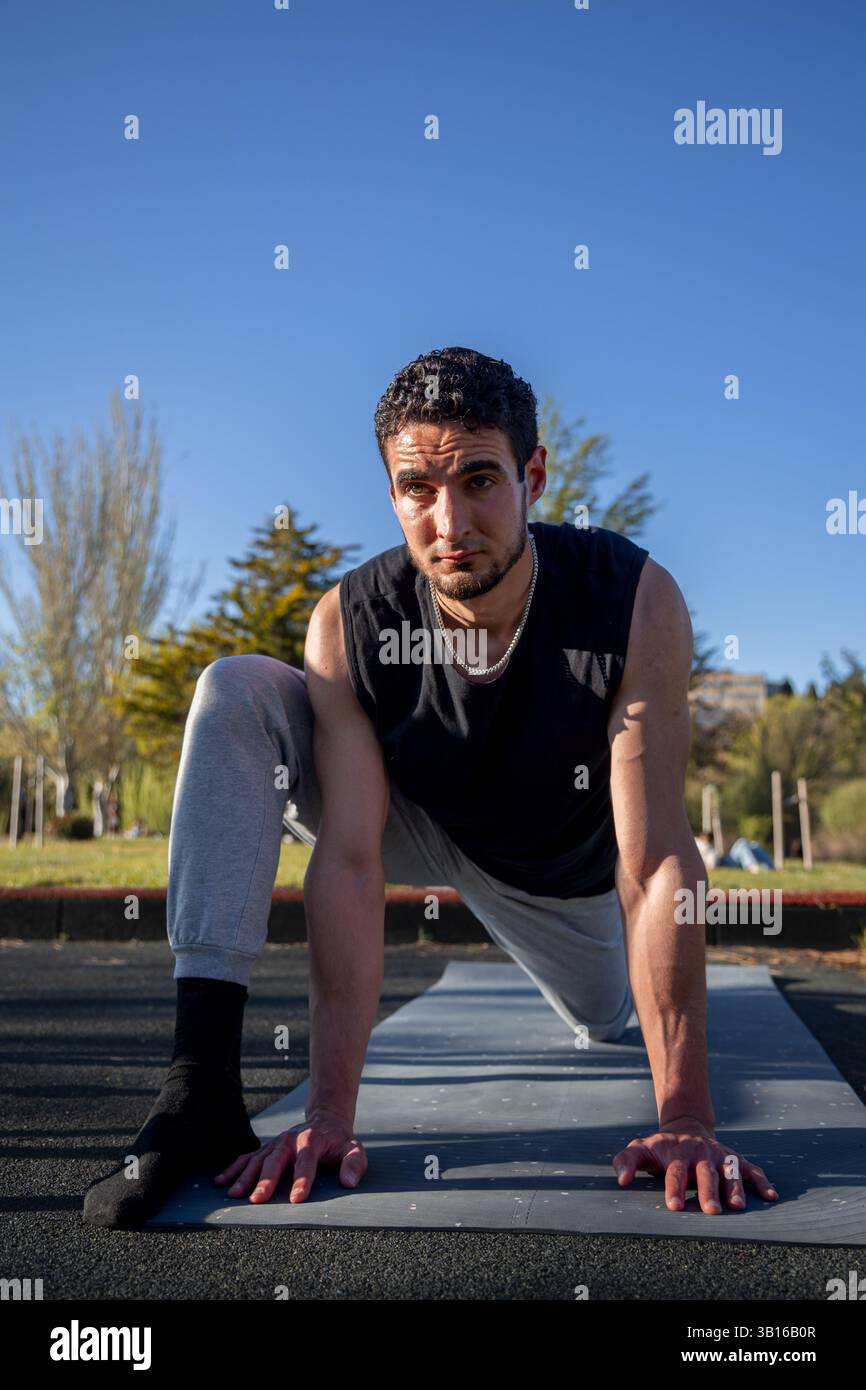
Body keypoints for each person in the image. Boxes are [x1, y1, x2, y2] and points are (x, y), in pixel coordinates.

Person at [83, 346, 778, 1227]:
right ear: (392, 494)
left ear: (532, 476)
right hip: (408, 810)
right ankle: (197, 1087)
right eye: (418, 488)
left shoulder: (631, 598)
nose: (449, 521)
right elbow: (347, 861)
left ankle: (625, 1018)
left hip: (553, 878)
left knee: (604, 1016)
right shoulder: (348, 621)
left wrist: (686, 1118)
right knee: (237, 691)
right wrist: (328, 1115)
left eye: (480, 480)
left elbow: (653, 867)